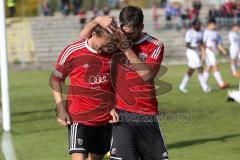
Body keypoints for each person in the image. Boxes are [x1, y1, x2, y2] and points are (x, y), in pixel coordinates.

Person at [80, 6, 169, 160]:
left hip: (147, 114)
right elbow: (84, 40)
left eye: (131, 34)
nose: (126, 37)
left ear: (141, 27)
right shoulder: (113, 41)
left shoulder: (155, 45)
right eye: (124, 32)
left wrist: (126, 49)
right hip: (121, 114)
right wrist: (95, 21)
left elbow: (147, 75)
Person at [50, 24, 119, 160]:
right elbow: (55, 79)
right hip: (79, 117)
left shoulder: (112, 53)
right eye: (103, 43)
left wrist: (113, 107)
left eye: (108, 44)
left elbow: (116, 84)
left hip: (104, 119)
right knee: (78, 157)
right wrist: (61, 109)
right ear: (94, 34)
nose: (104, 48)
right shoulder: (73, 51)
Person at [179, 20, 211, 93]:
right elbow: (187, 44)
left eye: (200, 24)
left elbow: (202, 42)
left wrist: (202, 51)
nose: (199, 26)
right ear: (193, 26)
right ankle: (204, 87)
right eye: (198, 25)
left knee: (191, 70)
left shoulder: (201, 32)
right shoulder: (189, 33)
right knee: (199, 67)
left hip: (196, 52)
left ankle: (182, 86)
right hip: (191, 52)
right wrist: (196, 46)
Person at [203, 19, 230, 89]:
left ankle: (203, 83)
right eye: (213, 24)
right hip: (208, 51)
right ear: (209, 24)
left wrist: (223, 50)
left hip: (212, 52)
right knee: (215, 66)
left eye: (215, 24)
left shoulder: (215, 33)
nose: (215, 26)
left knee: (209, 67)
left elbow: (218, 44)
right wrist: (205, 51)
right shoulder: (206, 32)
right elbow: (202, 43)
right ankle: (221, 84)